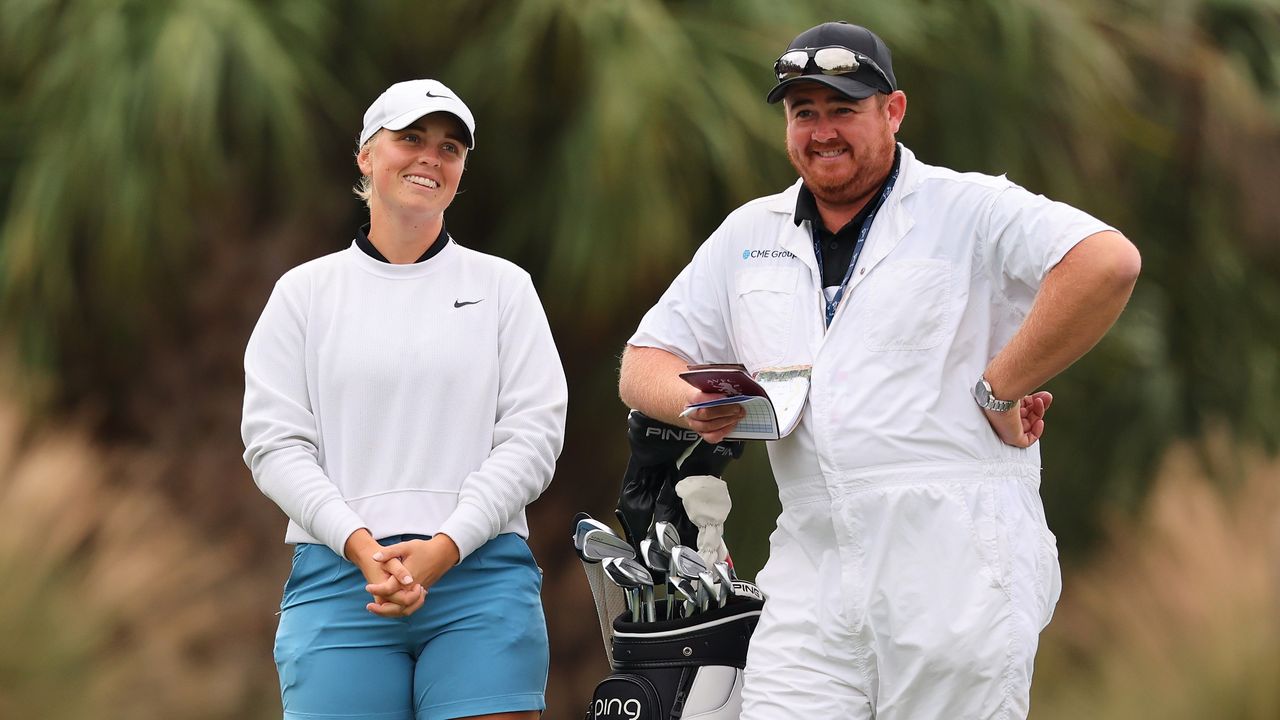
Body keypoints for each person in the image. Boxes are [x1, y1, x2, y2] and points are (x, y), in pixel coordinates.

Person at [618, 21, 1141, 720]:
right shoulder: (750, 234)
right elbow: (642, 361)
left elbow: (1106, 264)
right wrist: (694, 403)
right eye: (804, 112)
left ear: (892, 111)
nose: (822, 130)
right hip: (811, 567)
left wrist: (999, 387)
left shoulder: (968, 206)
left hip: (955, 570)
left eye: (843, 109)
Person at [242, 79, 567, 720]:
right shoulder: (303, 294)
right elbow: (274, 444)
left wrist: (445, 547)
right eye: (411, 138)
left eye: (449, 148)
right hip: (340, 579)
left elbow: (534, 437)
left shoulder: (504, 287)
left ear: (461, 170)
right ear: (367, 155)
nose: (430, 157)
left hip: (480, 575)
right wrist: (362, 545)